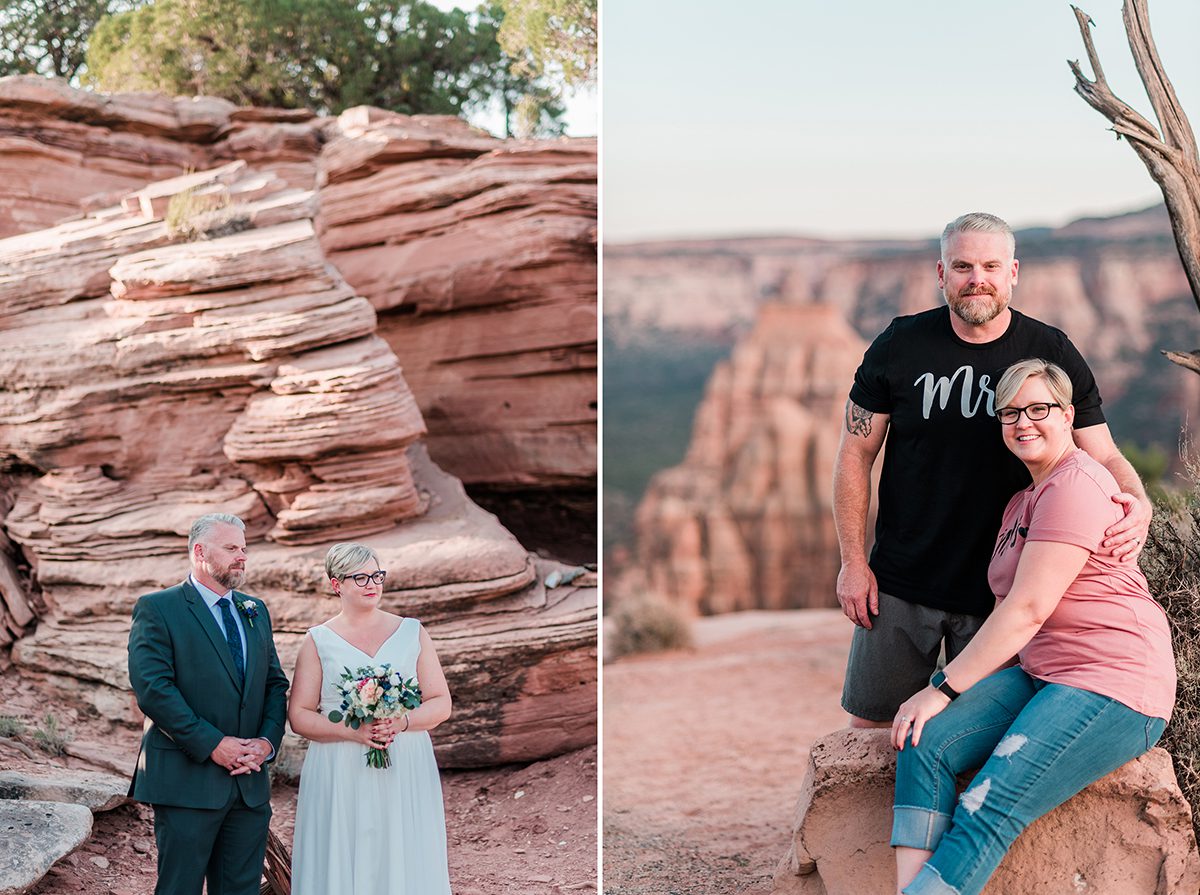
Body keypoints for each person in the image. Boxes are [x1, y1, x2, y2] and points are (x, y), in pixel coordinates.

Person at [833, 211, 1151, 728]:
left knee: (976, 737)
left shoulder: (1050, 351)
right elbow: (855, 455)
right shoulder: (900, 345)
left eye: (989, 265)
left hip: (1001, 592)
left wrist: (1139, 500)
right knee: (868, 733)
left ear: (1013, 272)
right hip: (898, 583)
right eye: (961, 266)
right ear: (941, 274)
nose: (976, 278)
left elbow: (1105, 454)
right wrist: (852, 561)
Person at [889, 358, 1175, 895]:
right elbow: (1013, 619)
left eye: (1039, 408)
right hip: (1043, 672)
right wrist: (942, 703)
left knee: (986, 804)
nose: (1024, 422)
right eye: (1011, 412)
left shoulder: (1076, 484)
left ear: (1068, 415)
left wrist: (942, 689)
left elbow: (1027, 609)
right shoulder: (1022, 501)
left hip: (1111, 682)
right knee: (922, 742)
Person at [128, 512, 290, 895]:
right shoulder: (158, 608)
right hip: (186, 778)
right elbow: (153, 688)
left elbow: (274, 683)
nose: (242, 556)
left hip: (248, 783)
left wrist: (266, 745)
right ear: (200, 551)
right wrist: (214, 744)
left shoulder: (255, 611)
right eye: (231, 548)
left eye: (244, 549)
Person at [289, 542, 453, 895]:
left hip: (405, 759)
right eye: (359, 577)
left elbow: (441, 703)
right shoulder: (318, 640)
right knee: (344, 845)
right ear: (337, 585)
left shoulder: (412, 631)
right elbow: (299, 716)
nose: (371, 584)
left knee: (403, 846)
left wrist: (402, 722)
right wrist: (353, 733)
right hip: (339, 762)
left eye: (377, 575)